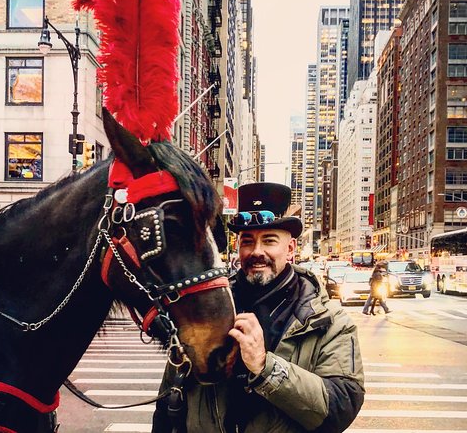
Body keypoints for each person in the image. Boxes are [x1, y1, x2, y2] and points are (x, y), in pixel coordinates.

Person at [152, 182, 365, 433]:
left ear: (290, 249)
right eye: (247, 241)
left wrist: (265, 367)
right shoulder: (205, 310)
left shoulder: (329, 321)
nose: (256, 252)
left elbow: (341, 406)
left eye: (269, 240)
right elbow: (168, 402)